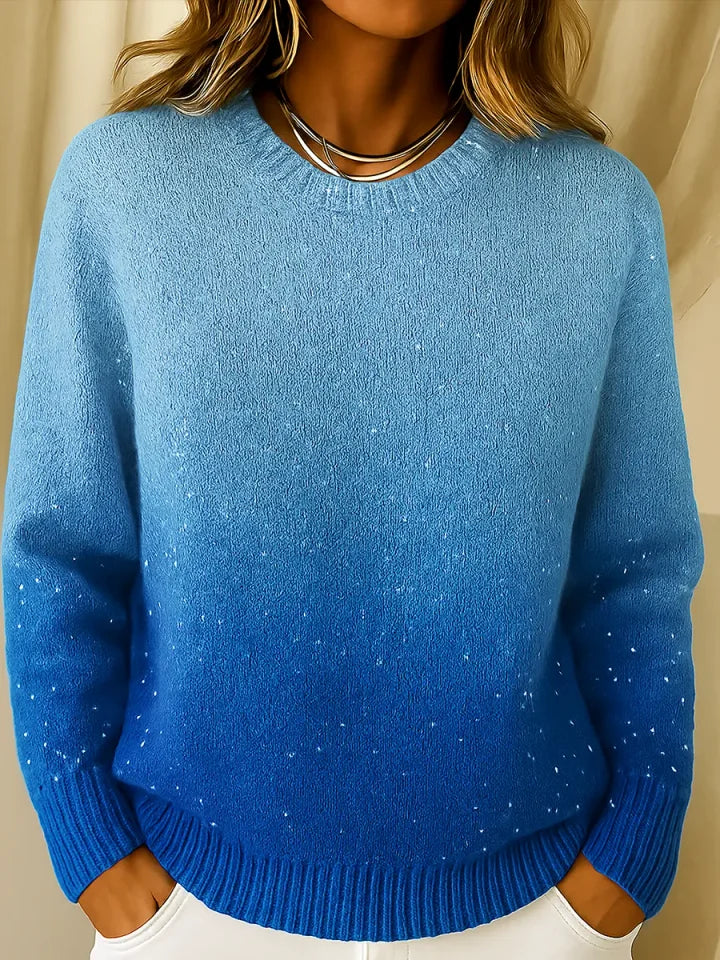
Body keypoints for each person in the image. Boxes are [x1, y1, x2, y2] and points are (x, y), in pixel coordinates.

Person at [1, 1, 704, 957]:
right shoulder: (125, 188)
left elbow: (635, 570)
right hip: (192, 916)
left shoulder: (598, 213)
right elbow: (60, 552)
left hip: (539, 915)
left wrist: (621, 870)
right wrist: (97, 855)